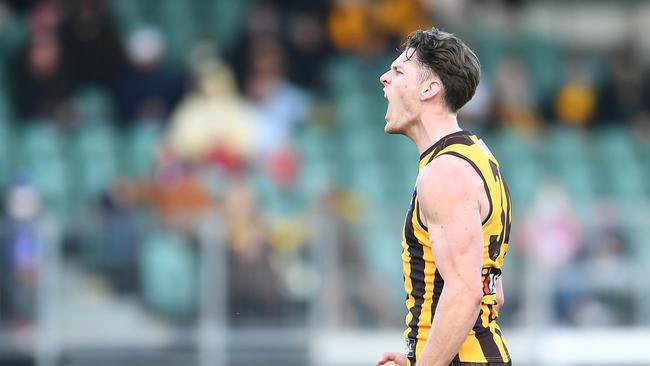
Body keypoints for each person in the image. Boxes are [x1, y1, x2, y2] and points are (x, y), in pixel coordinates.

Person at [376, 28, 512, 366]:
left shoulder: (444, 172)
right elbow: (493, 290)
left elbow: (466, 291)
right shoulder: (476, 155)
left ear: (430, 88)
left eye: (398, 71)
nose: (384, 78)